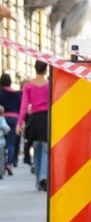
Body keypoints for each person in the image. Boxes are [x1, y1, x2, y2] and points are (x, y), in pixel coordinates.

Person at [17, 60, 50, 191]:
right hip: (47, 119)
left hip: (34, 120)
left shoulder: (28, 86)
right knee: (46, 149)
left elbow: (24, 106)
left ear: (35, 68)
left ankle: (39, 179)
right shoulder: (49, 86)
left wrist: (20, 123)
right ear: (46, 70)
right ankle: (43, 177)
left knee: (36, 149)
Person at [0, 72, 21, 174]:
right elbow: (21, 108)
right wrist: (21, 121)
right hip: (14, 119)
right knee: (11, 144)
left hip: (2, 119)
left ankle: (2, 163)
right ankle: (9, 164)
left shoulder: (0, 92)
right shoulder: (16, 94)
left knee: (1, 143)